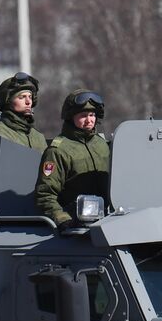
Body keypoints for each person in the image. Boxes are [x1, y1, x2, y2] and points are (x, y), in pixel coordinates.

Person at [35, 89, 111, 226]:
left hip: (108, 220)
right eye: (83, 116)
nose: (89, 120)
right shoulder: (58, 151)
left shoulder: (102, 145)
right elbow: (45, 195)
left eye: (92, 115)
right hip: (76, 224)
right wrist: (62, 218)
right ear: (71, 117)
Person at [0, 72, 47, 151]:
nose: (28, 102)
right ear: (8, 102)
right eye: (22, 97)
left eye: (30, 97)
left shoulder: (38, 137)